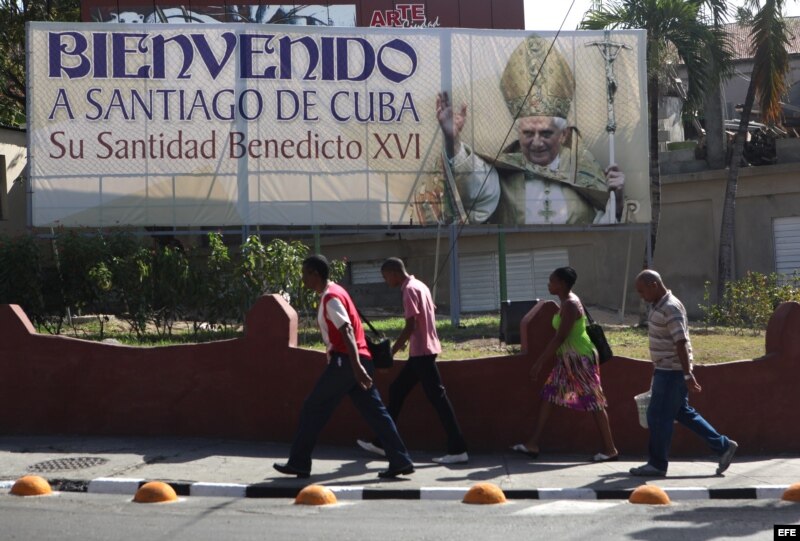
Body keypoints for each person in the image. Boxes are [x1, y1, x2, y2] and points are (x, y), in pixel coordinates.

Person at [437, 34, 625, 225]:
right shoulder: (502, 177)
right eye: (528, 133)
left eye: (545, 133)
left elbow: (605, 231)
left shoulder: (585, 176)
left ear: (563, 135)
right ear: (518, 133)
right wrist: (453, 140)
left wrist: (616, 203)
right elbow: (472, 186)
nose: (536, 142)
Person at [273, 254, 415, 479]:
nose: (303, 279)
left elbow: (346, 330)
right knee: (376, 413)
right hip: (358, 361)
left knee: (312, 407)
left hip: (346, 363)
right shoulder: (337, 291)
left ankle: (299, 462)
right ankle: (401, 460)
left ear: (315, 274)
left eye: (305, 274)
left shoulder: (331, 297)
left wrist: (356, 365)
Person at [356, 258, 469, 465]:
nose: (385, 281)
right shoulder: (421, 285)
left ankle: (458, 448)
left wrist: (392, 351)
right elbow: (426, 317)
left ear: (393, 272)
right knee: (398, 390)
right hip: (425, 349)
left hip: (422, 353)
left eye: (385, 276)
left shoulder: (408, 290)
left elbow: (410, 325)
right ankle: (382, 442)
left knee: (438, 399)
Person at [630, 269, 738, 477]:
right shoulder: (658, 305)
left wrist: (687, 375)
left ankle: (657, 464)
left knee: (657, 417)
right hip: (665, 369)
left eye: (642, 291)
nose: (641, 296)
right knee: (681, 412)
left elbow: (681, 342)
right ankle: (723, 446)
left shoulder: (670, 308)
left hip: (672, 371)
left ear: (654, 285)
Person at [512, 266, 618, 461]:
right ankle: (532, 444)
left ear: (561, 284)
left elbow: (560, 337)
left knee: (595, 402)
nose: (548, 284)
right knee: (549, 395)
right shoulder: (567, 301)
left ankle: (610, 449)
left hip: (580, 359)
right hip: (568, 360)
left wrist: (539, 363)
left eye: (552, 281)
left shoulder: (570, 304)